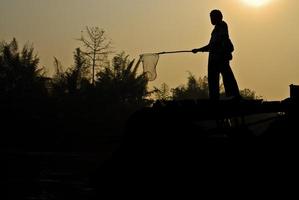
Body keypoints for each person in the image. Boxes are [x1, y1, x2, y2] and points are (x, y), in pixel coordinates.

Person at [192, 9, 241, 101]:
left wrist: (225, 53)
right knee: (213, 79)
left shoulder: (222, 26)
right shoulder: (215, 30)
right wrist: (198, 50)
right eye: (210, 17)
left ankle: (234, 96)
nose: (211, 20)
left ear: (218, 17)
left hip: (220, 58)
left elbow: (220, 42)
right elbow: (211, 45)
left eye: (212, 17)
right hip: (214, 58)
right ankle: (214, 98)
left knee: (227, 76)